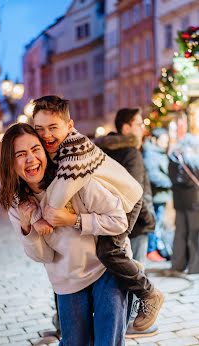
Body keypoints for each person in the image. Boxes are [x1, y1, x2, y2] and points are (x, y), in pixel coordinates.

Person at [32, 96, 164, 332]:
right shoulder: (57, 148)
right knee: (108, 251)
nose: (46, 135)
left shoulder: (76, 150)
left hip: (127, 200)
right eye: (39, 129)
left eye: (53, 127)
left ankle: (149, 293)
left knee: (108, 250)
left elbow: (57, 200)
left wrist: (33, 212)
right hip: (111, 200)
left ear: (69, 126)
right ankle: (131, 273)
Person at [0, 123, 129, 346]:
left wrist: (73, 220)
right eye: (21, 154)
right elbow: (44, 257)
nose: (31, 159)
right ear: (10, 163)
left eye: (35, 149)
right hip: (66, 280)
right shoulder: (16, 204)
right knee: (74, 342)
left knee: (108, 342)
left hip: (105, 267)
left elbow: (119, 220)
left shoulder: (72, 177)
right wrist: (28, 226)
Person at [95, 107, 160, 338]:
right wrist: (149, 219)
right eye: (138, 123)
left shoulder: (102, 150)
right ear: (125, 128)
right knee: (135, 271)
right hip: (135, 225)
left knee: (122, 273)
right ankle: (135, 322)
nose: (142, 127)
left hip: (112, 223)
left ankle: (126, 321)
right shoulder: (130, 151)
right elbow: (134, 193)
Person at [169, 133, 199, 274]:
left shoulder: (173, 159)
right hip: (194, 201)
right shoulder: (193, 159)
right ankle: (195, 267)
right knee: (194, 234)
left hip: (179, 201)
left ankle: (178, 264)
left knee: (180, 232)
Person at [143, 128, 172, 261]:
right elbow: (153, 175)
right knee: (154, 222)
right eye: (163, 140)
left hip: (161, 195)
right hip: (155, 195)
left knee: (158, 222)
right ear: (155, 140)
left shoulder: (159, 152)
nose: (165, 143)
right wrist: (171, 182)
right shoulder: (150, 153)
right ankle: (151, 249)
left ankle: (155, 249)